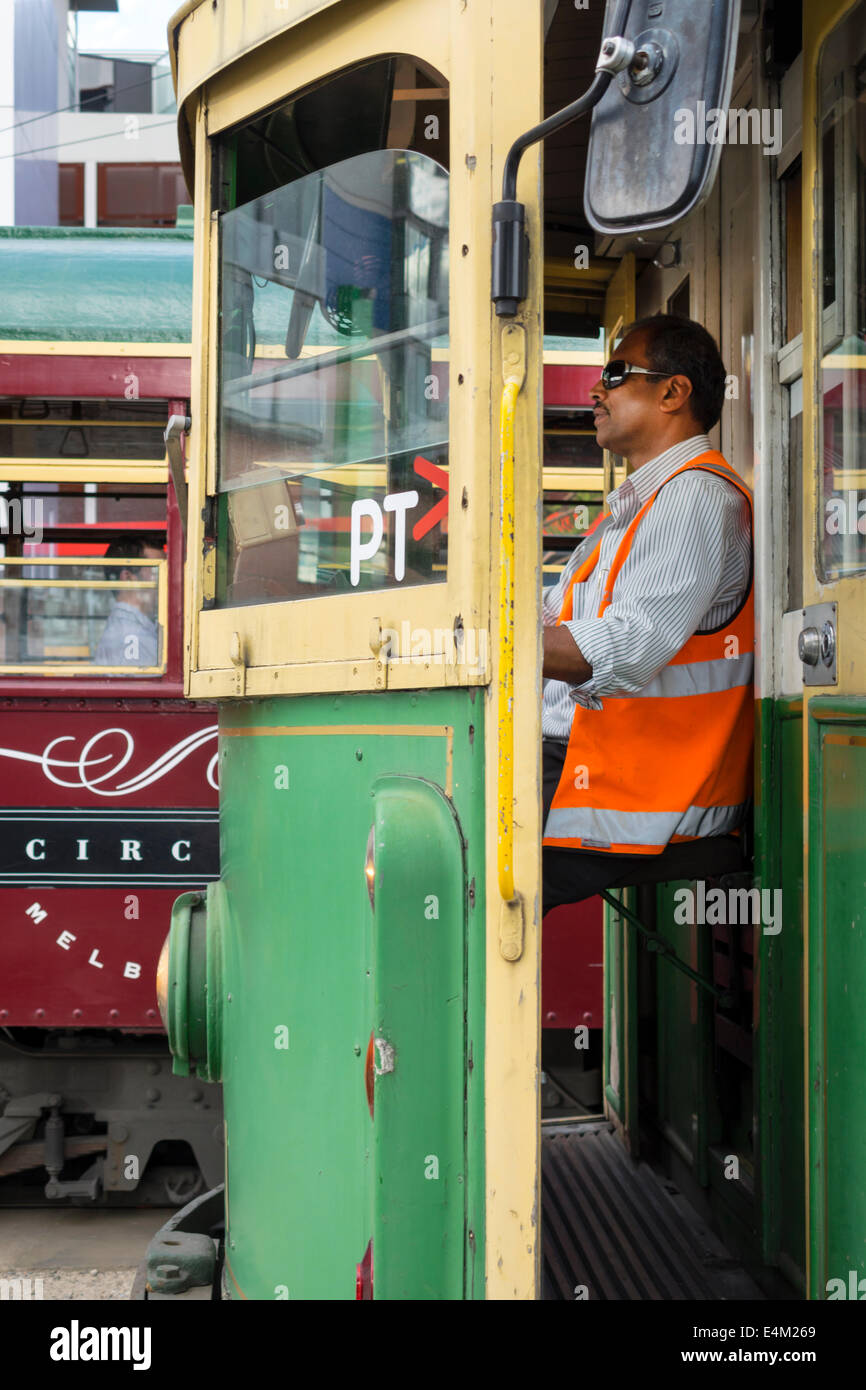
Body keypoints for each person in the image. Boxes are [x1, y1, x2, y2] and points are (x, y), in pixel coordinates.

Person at [541, 314, 753, 910]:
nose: (595, 391)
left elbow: (628, 646)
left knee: (439, 867)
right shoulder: (635, 508)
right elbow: (554, 614)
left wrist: (498, 642)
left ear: (672, 392)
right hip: (587, 765)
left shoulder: (696, 497)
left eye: (614, 374)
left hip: (636, 790)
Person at [94, 535, 164, 668]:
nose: (167, 579)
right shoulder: (132, 636)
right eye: (157, 570)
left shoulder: (136, 629)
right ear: (128, 578)